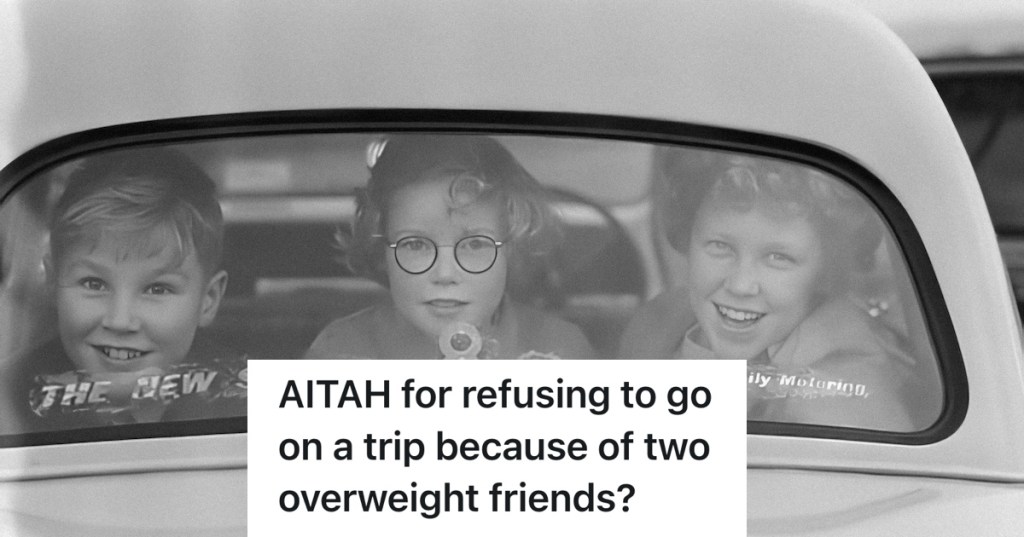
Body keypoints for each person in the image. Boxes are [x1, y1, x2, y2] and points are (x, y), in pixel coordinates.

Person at [620, 153, 923, 431]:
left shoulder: (838, 406)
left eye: (779, 258)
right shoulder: (659, 325)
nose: (740, 285)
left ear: (823, 271)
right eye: (720, 246)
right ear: (688, 241)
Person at [304, 135, 595, 360]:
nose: (445, 274)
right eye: (415, 245)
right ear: (381, 250)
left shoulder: (560, 349)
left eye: (475, 244)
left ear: (511, 249)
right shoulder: (341, 353)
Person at [15, 149, 247, 429]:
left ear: (208, 300)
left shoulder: (255, 402)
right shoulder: (8, 403)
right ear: (53, 283)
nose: (120, 321)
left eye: (157, 289)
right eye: (94, 284)